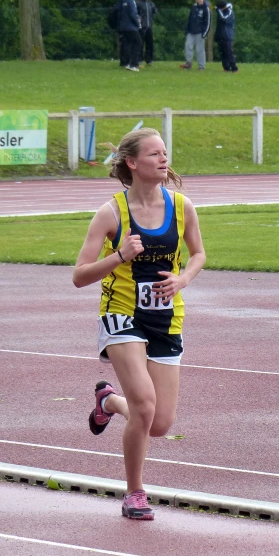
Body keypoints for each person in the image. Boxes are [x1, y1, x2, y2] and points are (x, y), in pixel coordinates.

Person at [73, 128, 206, 520]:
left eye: (165, 153)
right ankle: (135, 492)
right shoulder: (112, 212)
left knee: (160, 423)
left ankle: (109, 402)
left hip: (166, 317)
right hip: (122, 314)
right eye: (154, 154)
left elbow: (198, 254)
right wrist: (119, 255)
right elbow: (80, 275)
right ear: (132, 163)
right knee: (145, 406)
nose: (164, 160)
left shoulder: (182, 206)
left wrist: (182, 280)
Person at [180, 0, 210, 70]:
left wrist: (204, 33)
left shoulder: (206, 8)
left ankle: (201, 66)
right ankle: (188, 63)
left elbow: (207, 23)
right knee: (188, 46)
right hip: (191, 31)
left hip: (200, 32)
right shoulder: (194, 7)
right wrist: (187, 29)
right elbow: (190, 19)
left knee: (199, 49)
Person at [119, 0, 142, 72]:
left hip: (124, 27)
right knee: (138, 43)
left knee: (128, 45)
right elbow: (133, 14)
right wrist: (138, 23)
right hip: (131, 27)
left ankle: (127, 63)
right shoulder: (131, 1)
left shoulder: (124, 1)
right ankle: (133, 64)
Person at [214, 0, 238, 73]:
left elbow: (224, 19)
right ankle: (226, 67)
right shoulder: (221, 11)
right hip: (220, 35)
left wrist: (218, 11)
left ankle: (234, 68)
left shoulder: (229, 11)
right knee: (222, 53)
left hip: (227, 35)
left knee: (229, 52)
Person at [136, 0, 158, 66]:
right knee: (140, 43)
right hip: (141, 27)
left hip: (149, 26)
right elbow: (136, 13)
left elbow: (155, 11)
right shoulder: (138, 3)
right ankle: (139, 59)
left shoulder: (151, 4)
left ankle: (149, 60)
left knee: (150, 43)